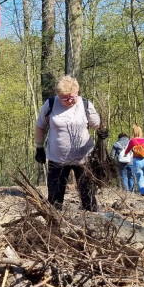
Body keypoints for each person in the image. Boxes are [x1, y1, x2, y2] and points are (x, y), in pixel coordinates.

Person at [35, 76, 103, 211]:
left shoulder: (85, 104)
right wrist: (39, 148)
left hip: (83, 158)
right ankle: (55, 226)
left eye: (72, 97)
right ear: (58, 95)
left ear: (77, 91)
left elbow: (97, 125)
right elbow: (40, 126)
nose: (69, 101)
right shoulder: (50, 104)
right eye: (64, 98)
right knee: (54, 200)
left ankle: (90, 223)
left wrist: (102, 132)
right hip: (57, 158)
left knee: (88, 198)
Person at [124, 124, 144, 196]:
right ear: (140, 132)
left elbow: (127, 151)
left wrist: (125, 155)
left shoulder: (132, 141)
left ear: (134, 132)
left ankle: (143, 192)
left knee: (139, 177)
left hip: (138, 162)